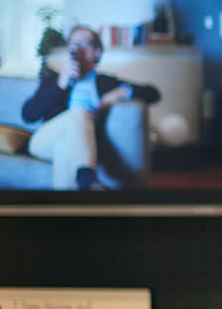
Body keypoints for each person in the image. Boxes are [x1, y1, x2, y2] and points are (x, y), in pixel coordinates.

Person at [21, 25, 161, 190]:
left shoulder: (105, 83)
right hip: (44, 140)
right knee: (79, 113)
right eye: (73, 44)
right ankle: (88, 179)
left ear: (96, 52)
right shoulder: (54, 79)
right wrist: (60, 85)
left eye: (83, 44)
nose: (76, 49)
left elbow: (153, 93)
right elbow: (28, 115)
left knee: (64, 146)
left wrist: (122, 92)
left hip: (77, 144)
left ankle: (78, 192)